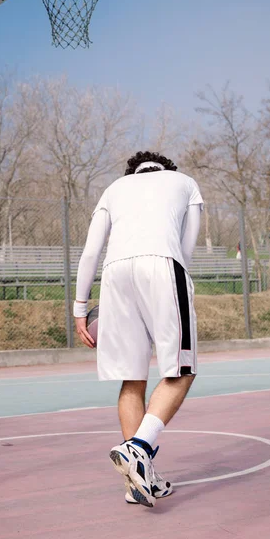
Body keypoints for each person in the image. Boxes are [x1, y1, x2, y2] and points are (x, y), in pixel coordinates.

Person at [74, 151, 203, 508]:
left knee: (132, 378)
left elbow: (90, 252)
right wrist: (181, 287)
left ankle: (137, 481)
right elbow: (186, 248)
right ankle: (138, 448)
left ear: (133, 173)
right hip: (163, 264)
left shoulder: (114, 188)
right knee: (183, 369)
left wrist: (79, 309)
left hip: (114, 274)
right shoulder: (186, 184)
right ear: (166, 170)